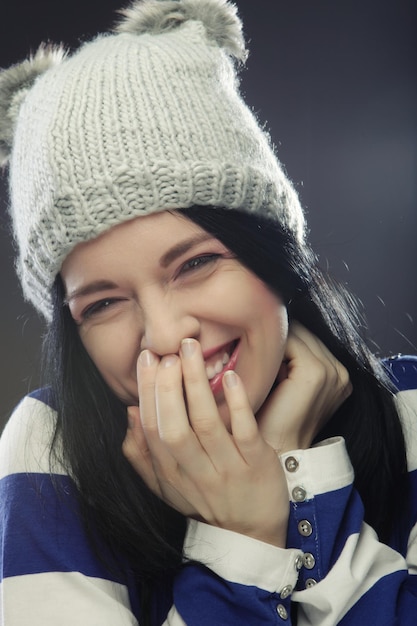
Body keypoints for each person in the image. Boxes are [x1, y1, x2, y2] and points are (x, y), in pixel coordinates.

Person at [0, 0, 416, 624]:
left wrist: (299, 479)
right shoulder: (50, 451)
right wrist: (243, 536)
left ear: (273, 251)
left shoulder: (411, 409)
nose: (166, 336)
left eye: (195, 263)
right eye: (105, 303)